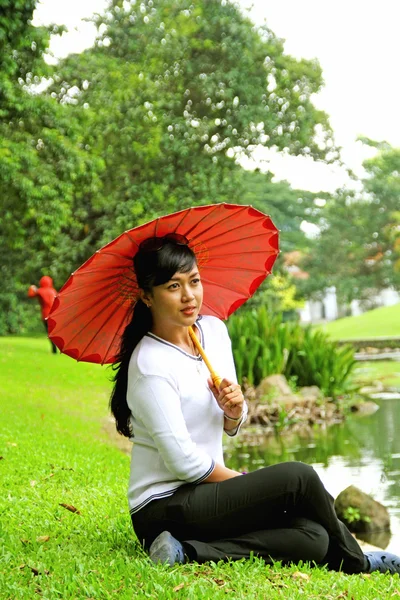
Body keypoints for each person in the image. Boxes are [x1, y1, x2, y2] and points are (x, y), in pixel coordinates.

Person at [110, 233, 400, 575]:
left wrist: (234, 412)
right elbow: (182, 462)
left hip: (206, 498)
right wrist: (247, 483)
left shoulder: (213, 332)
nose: (189, 296)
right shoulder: (150, 364)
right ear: (147, 296)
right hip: (164, 505)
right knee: (299, 478)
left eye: (194, 281)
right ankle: (360, 561)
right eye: (173, 287)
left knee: (313, 537)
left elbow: (231, 424)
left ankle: (185, 551)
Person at [28, 275, 58, 353]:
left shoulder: (41, 291)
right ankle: (56, 348)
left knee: (50, 333)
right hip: (55, 314)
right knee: (54, 332)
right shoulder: (53, 291)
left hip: (46, 315)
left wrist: (32, 288)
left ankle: (54, 349)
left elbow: (31, 295)